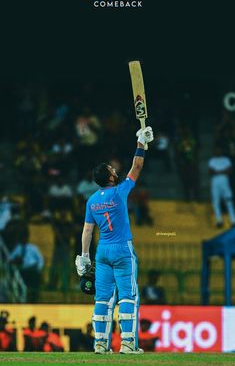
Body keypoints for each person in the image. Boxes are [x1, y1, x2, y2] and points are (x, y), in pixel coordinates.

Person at [75, 125, 154, 354]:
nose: (115, 169)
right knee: (128, 296)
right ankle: (128, 344)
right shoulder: (119, 192)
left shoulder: (91, 201)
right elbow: (137, 166)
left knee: (102, 299)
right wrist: (141, 143)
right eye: (112, 168)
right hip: (122, 250)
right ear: (110, 176)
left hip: (102, 252)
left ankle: (100, 344)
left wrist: (84, 257)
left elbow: (87, 232)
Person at [208, 145, 235, 228]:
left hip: (225, 183)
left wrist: (218, 172)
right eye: (216, 150)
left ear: (222, 150)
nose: (218, 151)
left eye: (219, 150)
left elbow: (229, 171)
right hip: (215, 183)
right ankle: (219, 221)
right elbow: (210, 172)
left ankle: (233, 220)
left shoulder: (226, 160)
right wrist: (222, 171)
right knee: (216, 202)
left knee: (229, 200)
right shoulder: (212, 160)